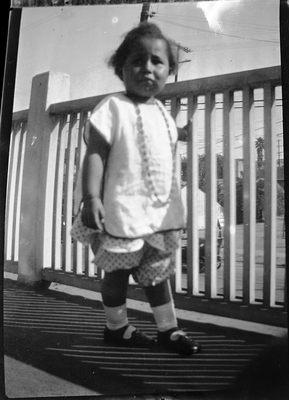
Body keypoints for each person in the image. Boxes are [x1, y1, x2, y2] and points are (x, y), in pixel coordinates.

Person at [71, 22, 200, 356]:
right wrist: (92, 196)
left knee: (158, 274)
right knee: (117, 273)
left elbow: (170, 134)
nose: (147, 68)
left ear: (170, 70)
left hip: (157, 215)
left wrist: (184, 131)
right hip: (120, 212)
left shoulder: (160, 111)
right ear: (121, 68)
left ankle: (168, 330)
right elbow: (95, 154)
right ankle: (116, 327)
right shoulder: (112, 108)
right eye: (137, 61)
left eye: (157, 62)